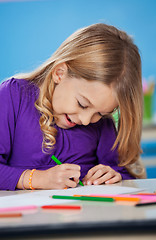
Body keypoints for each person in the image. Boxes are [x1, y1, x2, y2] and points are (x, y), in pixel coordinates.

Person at [0, 23, 145, 191]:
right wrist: (35, 179)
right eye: (82, 104)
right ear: (60, 73)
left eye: (100, 113)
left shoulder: (101, 124)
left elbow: (124, 175)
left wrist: (113, 176)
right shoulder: (13, 96)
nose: (85, 120)